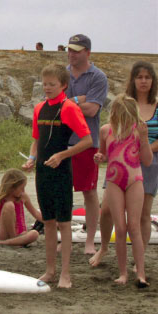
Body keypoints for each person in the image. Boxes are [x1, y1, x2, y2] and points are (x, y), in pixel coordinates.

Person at [22, 63, 92, 288]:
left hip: (61, 172)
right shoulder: (39, 108)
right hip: (42, 172)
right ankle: (50, 270)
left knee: (64, 222)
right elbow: (36, 140)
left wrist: (62, 155)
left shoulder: (69, 107)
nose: (48, 87)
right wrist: (31, 159)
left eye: (52, 84)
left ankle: (66, 274)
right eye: (45, 84)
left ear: (63, 85)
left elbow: (87, 140)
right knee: (48, 221)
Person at [90, 62, 158, 269]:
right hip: (120, 163)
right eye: (140, 77)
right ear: (133, 80)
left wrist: (144, 150)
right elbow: (112, 129)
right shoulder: (126, 102)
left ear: (153, 80)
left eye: (147, 77)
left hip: (149, 161)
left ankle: (139, 258)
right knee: (107, 209)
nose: (144, 81)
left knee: (143, 214)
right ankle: (103, 247)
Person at [92, 95, 152, 287]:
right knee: (120, 228)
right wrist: (99, 157)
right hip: (114, 181)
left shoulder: (138, 131)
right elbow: (102, 153)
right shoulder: (106, 131)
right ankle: (123, 273)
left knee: (134, 227)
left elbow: (148, 160)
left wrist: (143, 139)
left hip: (134, 180)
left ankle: (141, 273)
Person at [65, 34, 108, 254]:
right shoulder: (62, 73)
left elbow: (92, 110)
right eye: (69, 49)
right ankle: (63, 237)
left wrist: (69, 102)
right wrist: (80, 99)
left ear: (87, 52)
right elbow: (53, 104)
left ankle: (90, 240)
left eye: (76, 50)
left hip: (87, 141)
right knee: (61, 190)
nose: (71, 54)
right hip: (62, 140)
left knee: (89, 191)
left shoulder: (98, 77)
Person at [0, 169, 42, 247]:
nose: (23, 191)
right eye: (21, 188)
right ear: (12, 187)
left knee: (34, 233)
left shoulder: (23, 196)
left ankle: (0, 243)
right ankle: (13, 240)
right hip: (5, 234)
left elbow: (35, 213)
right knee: (9, 205)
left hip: (21, 233)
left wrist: (52, 223)